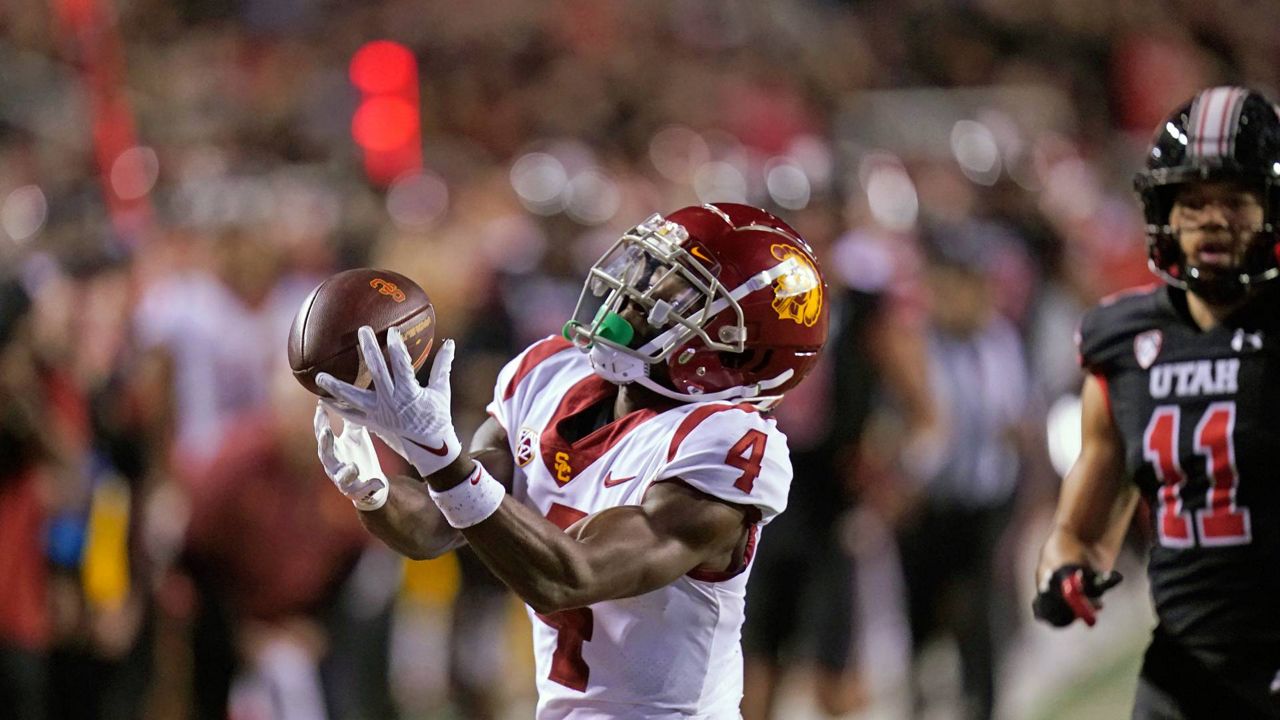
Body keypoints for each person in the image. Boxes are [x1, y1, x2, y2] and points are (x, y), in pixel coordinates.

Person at [314, 203, 829, 719]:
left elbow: (568, 577)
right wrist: (376, 491)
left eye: (674, 294)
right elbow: (436, 524)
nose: (633, 296)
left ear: (737, 345)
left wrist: (441, 457)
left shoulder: (725, 444)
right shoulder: (551, 372)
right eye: (646, 270)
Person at [1033, 86, 1280, 718]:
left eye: (1235, 202)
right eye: (1193, 203)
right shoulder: (1123, 342)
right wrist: (1066, 574)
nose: (1213, 222)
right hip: (1182, 668)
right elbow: (1081, 533)